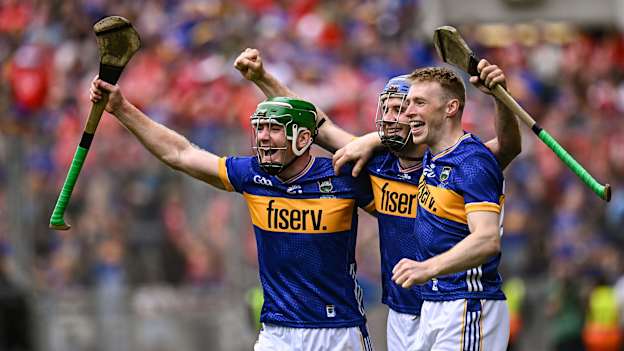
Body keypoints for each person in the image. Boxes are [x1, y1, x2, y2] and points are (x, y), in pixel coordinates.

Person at [235, 48, 520, 350]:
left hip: (454, 297)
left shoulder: (453, 160)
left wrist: (501, 97)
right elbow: (317, 126)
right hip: (403, 307)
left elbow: (507, 148)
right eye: (391, 110)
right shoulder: (378, 167)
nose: (395, 117)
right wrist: (263, 78)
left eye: (408, 107)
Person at [89, 81, 376, 350]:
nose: (263, 137)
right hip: (277, 331)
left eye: (274, 129)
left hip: (338, 329)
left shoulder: (343, 176)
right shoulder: (253, 175)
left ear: (302, 138)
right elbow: (180, 154)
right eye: (260, 128)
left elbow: (399, 207)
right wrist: (123, 109)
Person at [390, 67, 511, 350]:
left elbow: (487, 239)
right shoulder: (434, 154)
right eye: (408, 104)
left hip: (467, 303)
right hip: (435, 304)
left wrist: (427, 268)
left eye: (419, 103)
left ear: (451, 108)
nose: (407, 113)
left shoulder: (473, 162)